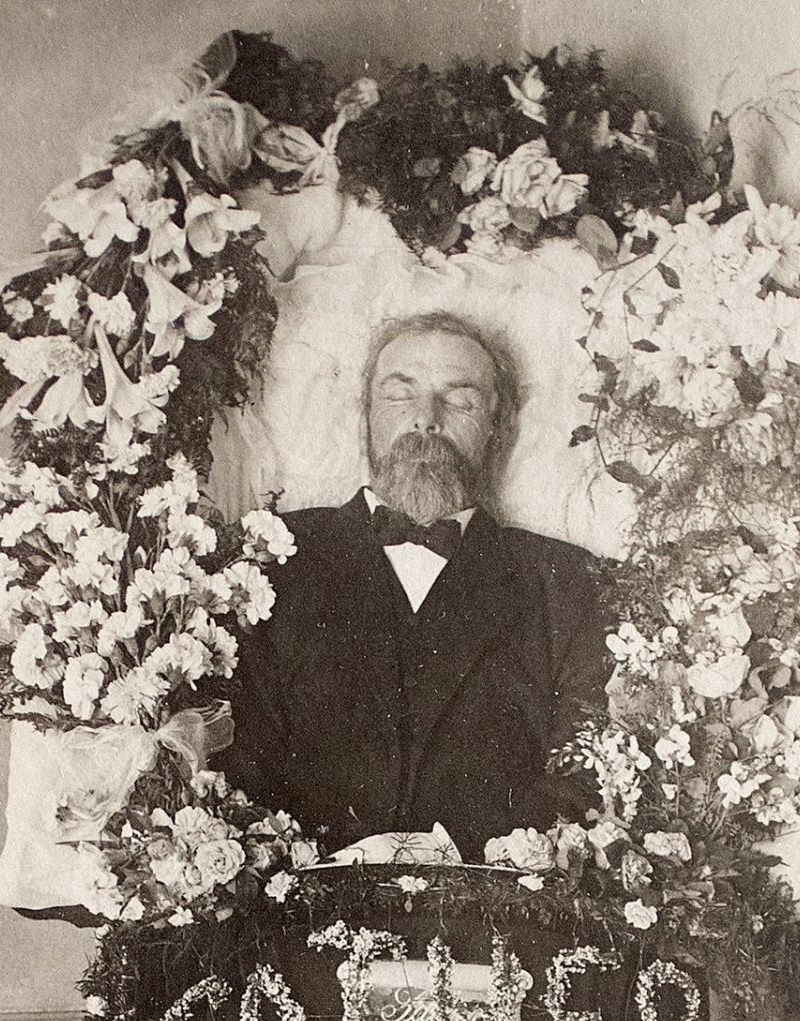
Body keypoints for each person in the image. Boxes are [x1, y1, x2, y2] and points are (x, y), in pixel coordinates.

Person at [223, 312, 607, 859]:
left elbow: (581, 778)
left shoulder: (565, 583)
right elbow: (234, 758)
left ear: (497, 427)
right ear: (366, 416)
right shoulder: (269, 558)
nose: (426, 419)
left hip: (492, 903)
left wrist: (460, 863)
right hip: (296, 900)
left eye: (460, 400)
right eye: (400, 395)